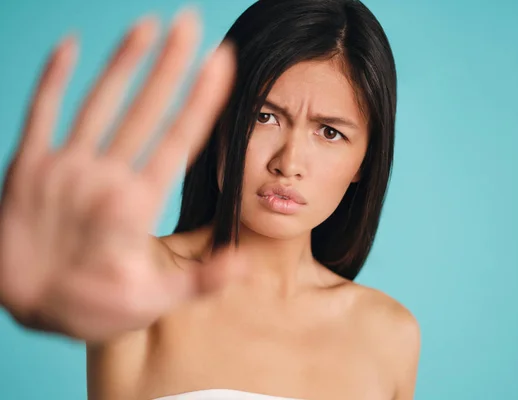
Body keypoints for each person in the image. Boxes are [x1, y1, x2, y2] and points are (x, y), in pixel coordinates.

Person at [0, 0, 421, 398]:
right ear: (218, 119)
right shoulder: (141, 278)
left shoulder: (389, 334)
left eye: (330, 132)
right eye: (264, 116)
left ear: (365, 161)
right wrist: (42, 281)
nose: (288, 163)